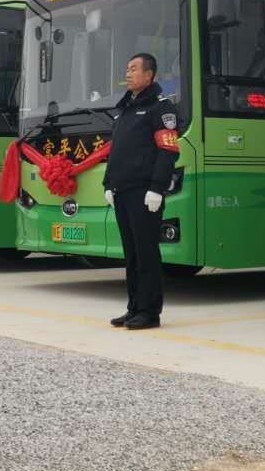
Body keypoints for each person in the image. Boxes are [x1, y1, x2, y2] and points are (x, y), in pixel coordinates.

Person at [102, 53, 181, 331]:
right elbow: (117, 152)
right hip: (123, 191)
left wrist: (157, 188)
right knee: (132, 254)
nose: (129, 73)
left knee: (147, 253)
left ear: (149, 75)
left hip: (145, 193)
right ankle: (134, 307)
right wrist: (108, 184)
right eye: (127, 68)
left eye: (134, 69)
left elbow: (168, 150)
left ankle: (150, 312)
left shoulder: (161, 109)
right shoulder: (125, 108)